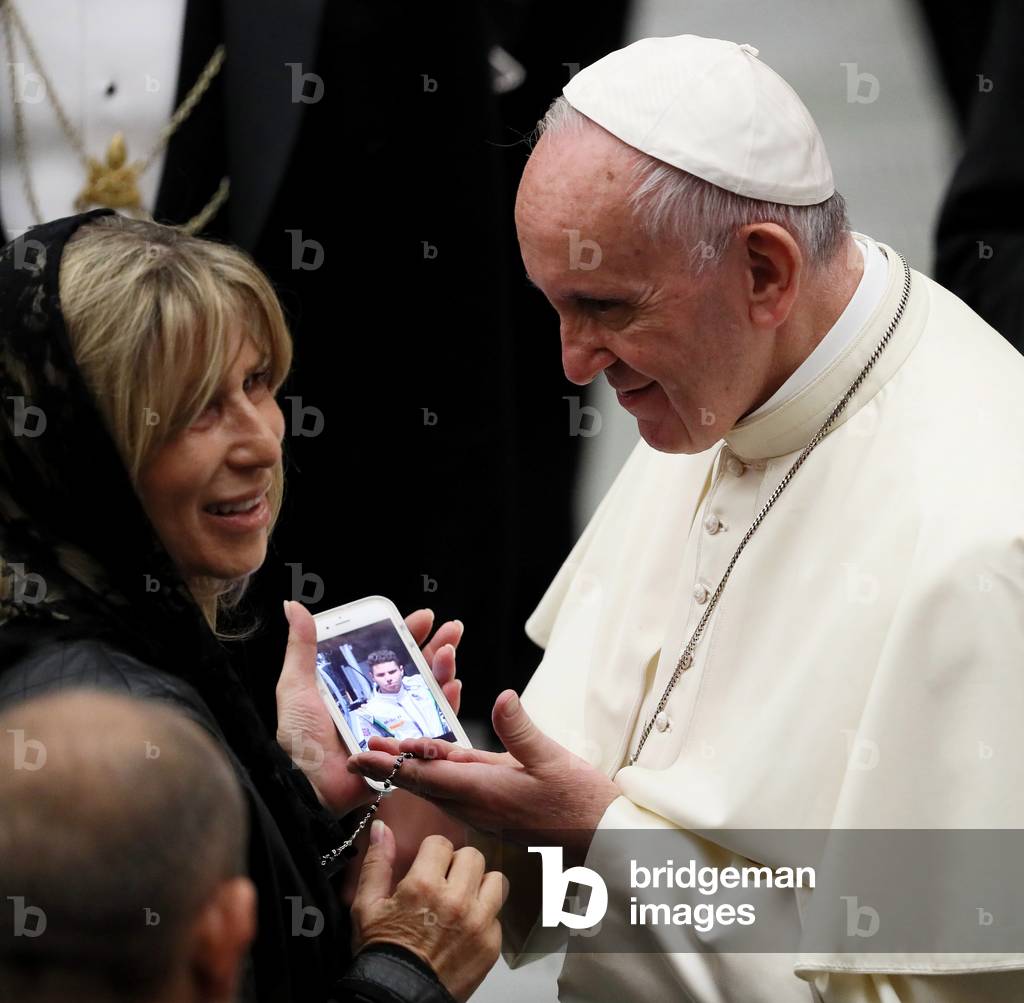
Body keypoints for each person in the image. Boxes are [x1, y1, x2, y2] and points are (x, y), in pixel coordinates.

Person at [350, 34, 1024, 1003]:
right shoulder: (734, 381)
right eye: (551, 307)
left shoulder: (984, 539)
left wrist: (599, 839)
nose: (573, 363)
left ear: (763, 272)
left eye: (604, 307)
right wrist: (425, 816)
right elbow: (587, 842)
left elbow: (905, 989)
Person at [0, 208, 504, 1002]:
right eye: (199, 406)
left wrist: (293, 792)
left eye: (257, 381)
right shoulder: (95, 734)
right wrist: (407, 972)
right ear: (88, 444)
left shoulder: (109, 642)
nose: (263, 440)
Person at [353, 650, 453, 743]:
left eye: (392, 672)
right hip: (414, 757)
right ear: (372, 677)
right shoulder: (370, 712)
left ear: (401, 670)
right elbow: (374, 747)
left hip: (449, 741)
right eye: (381, 675)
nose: (388, 678)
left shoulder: (423, 683)